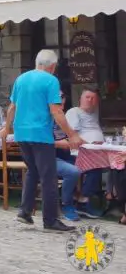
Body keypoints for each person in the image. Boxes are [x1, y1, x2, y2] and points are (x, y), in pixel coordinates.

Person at [1, 48, 83, 232]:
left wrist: (7, 128)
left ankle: (24, 211)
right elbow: (56, 111)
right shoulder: (51, 81)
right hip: (40, 134)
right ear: (53, 66)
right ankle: (50, 220)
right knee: (49, 177)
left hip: (21, 133)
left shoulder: (21, 78)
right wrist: (72, 135)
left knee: (33, 171)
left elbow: (12, 107)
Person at [65, 90, 108, 219]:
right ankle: (83, 201)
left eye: (93, 98)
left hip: (95, 151)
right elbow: (73, 135)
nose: (90, 100)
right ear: (80, 99)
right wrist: (90, 143)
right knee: (96, 167)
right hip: (78, 152)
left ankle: (112, 196)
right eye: (87, 97)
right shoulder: (74, 112)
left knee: (116, 164)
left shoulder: (94, 114)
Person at [54, 89, 83, 222]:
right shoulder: (43, 119)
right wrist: (63, 144)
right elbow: (42, 143)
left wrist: (87, 143)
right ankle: (67, 205)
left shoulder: (62, 118)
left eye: (64, 105)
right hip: (49, 158)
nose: (62, 108)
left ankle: (83, 202)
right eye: (60, 105)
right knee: (73, 172)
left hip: (65, 155)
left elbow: (70, 137)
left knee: (88, 166)